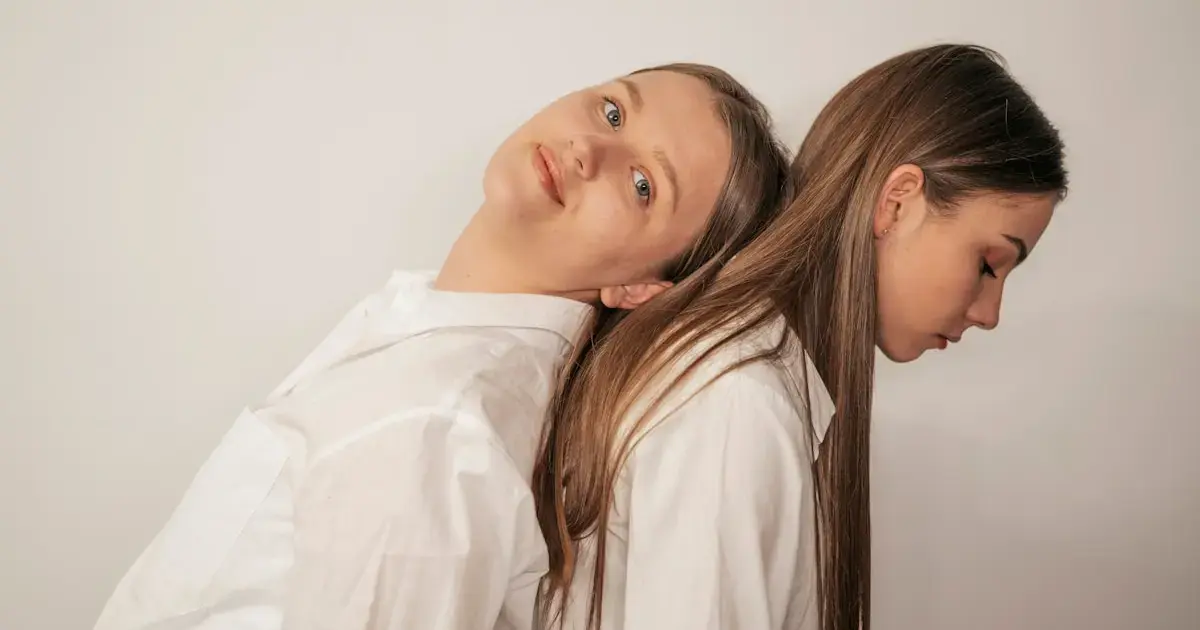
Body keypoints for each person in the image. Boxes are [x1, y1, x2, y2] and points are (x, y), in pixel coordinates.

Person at [93, 63, 791, 630]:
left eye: (643, 186)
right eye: (613, 111)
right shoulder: (431, 351)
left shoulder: (440, 432)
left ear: (643, 289)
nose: (589, 149)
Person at [533, 44, 1070, 630]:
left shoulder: (738, 376)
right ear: (897, 202)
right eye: (990, 264)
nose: (990, 312)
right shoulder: (737, 401)